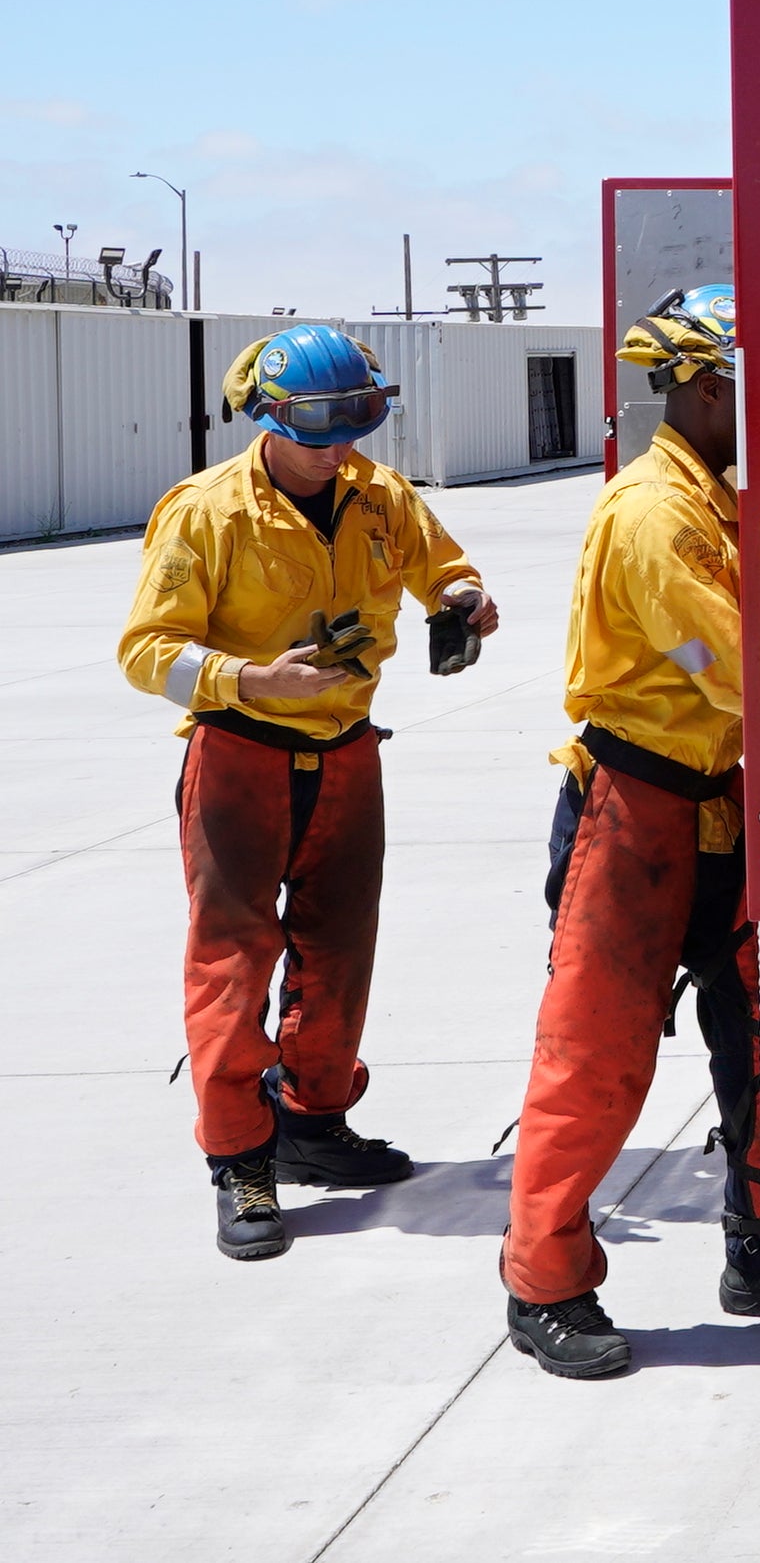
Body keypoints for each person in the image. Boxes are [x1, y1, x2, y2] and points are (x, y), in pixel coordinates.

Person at [499, 284, 760, 1378]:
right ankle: (545, 1280)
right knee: (595, 1054)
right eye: (752, 379)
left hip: (718, 802)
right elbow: (735, 667)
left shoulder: (714, 499)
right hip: (635, 810)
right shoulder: (654, 515)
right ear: (702, 385)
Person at [118, 323, 500, 1260]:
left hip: (346, 754)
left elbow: (441, 566)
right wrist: (250, 682)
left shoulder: (379, 496)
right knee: (233, 960)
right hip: (240, 757)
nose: (339, 447)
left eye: (357, 422)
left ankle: (312, 1121)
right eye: (320, 427)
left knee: (339, 950)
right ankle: (240, 1158)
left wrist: (464, 602)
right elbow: (145, 654)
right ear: (267, 417)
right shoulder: (206, 513)